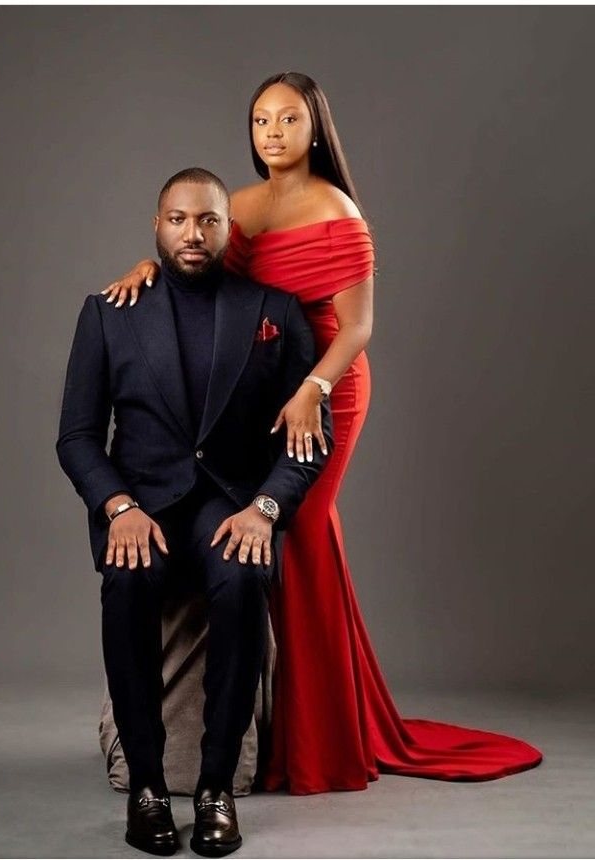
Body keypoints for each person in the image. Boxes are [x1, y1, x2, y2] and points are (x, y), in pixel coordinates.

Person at [98, 71, 543, 795]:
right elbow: (201, 268)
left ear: (316, 129)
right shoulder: (235, 206)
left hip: (328, 382)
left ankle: (319, 740)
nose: (273, 133)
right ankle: (262, 728)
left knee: (296, 538)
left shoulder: (337, 208)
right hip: (263, 384)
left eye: (289, 120)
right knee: (261, 544)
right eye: (261, 121)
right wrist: (150, 266)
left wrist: (314, 388)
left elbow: (360, 325)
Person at [56, 166, 333, 855]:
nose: (193, 232)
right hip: (142, 503)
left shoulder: (272, 310)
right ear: (157, 226)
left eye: (207, 220)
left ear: (226, 230)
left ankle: (215, 789)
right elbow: (78, 436)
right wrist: (117, 506)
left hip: (230, 504)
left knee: (242, 578)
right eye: (178, 219)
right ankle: (147, 787)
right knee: (127, 581)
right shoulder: (108, 313)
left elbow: (309, 439)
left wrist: (266, 509)